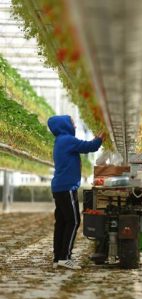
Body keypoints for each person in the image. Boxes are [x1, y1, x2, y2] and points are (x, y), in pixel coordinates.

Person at [48, 115, 105, 270]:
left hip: (60, 187)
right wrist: (99, 139)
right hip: (67, 188)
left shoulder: (60, 140)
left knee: (62, 222)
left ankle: (58, 258)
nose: (75, 126)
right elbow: (89, 147)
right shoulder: (67, 140)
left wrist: (94, 141)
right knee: (73, 221)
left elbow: (84, 146)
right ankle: (65, 257)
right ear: (64, 125)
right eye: (72, 123)